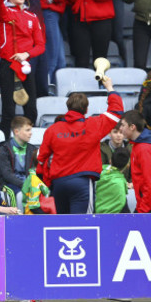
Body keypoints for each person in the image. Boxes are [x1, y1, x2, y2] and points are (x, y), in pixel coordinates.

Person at [37, 76, 122, 214]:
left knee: (64, 225)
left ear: (68, 107)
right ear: (86, 109)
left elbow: (41, 158)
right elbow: (116, 111)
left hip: (59, 183)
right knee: (83, 226)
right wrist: (110, 88)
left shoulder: (53, 129)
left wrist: (47, 180)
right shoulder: (93, 125)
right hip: (82, 182)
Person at [0, 0, 46, 139]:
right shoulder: (5, 12)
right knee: (8, 110)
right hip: (8, 66)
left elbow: (41, 46)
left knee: (31, 109)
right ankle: (4, 145)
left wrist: (27, 54)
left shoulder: (32, 16)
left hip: (25, 66)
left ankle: (28, 142)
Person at [118, 110, 151, 213]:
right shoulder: (137, 146)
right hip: (148, 205)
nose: (120, 128)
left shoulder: (145, 149)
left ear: (132, 127)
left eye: (122, 125)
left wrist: (142, 210)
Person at [0, 116, 38, 193]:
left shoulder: (32, 149)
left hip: (28, 184)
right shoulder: (4, 149)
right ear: (16, 132)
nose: (30, 133)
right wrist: (24, 185)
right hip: (10, 185)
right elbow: (7, 175)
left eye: (30, 130)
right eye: (27, 130)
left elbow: (34, 171)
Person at [94, 147, 131, 213]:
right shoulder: (120, 184)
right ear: (127, 165)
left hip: (95, 216)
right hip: (112, 220)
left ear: (110, 161)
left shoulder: (97, 173)